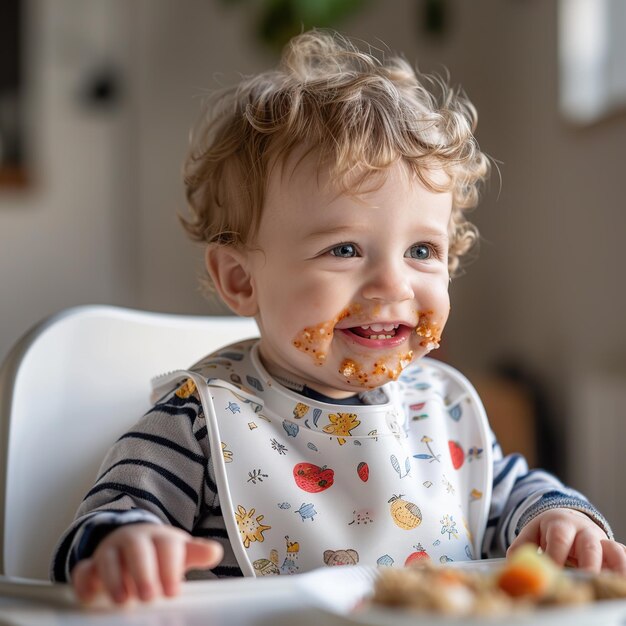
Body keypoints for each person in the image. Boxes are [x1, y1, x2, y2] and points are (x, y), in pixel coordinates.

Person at [52, 30, 625, 604]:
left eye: (422, 251)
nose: (393, 285)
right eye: (344, 249)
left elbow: (511, 495)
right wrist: (126, 544)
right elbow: (100, 529)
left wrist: (560, 517)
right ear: (241, 279)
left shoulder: (442, 409)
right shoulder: (198, 423)